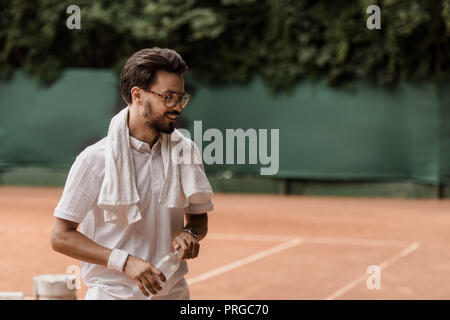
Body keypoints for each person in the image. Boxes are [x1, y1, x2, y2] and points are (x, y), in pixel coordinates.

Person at [50, 48, 214, 300]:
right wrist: (123, 261)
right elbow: (61, 236)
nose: (177, 107)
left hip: (174, 294)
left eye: (181, 98)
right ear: (137, 95)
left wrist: (190, 233)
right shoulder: (94, 160)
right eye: (168, 97)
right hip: (111, 295)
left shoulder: (186, 151)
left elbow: (198, 219)